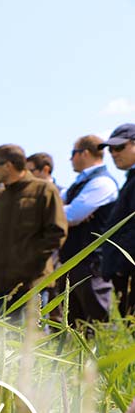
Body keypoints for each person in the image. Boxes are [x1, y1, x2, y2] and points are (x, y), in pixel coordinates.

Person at [0, 144, 67, 313]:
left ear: (8, 165)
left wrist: (29, 261)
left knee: (33, 337)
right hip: (1, 283)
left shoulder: (44, 190)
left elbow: (57, 232)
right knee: (4, 337)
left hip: (32, 282)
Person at [57, 135, 118, 325]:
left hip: (91, 263)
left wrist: (66, 210)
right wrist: (66, 210)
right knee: (75, 323)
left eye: (73, 153)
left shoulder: (102, 182)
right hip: (73, 260)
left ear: (84, 153)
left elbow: (71, 215)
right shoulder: (81, 183)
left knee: (98, 322)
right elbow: (59, 208)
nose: (70, 159)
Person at [100, 123, 135, 317]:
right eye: (110, 149)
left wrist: (123, 262)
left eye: (119, 147)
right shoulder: (130, 178)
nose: (113, 153)